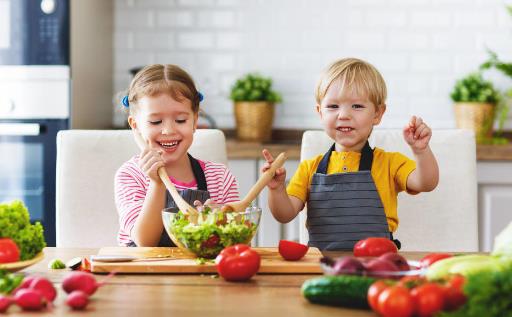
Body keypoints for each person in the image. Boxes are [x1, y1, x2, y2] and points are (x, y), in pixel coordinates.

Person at [262, 57, 439, 250]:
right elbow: (284, 214)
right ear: (320, 113)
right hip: (321, 265)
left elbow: (426, 183)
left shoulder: (390, 163)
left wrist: (421, 151)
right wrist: (276, 189)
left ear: (378, 114)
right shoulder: (309, 168)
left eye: (357, 106)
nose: (344, 115)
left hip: (377, 262)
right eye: (333, 106)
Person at [115, 64, 240, 247]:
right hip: (143, 273)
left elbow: (239, 243)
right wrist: (157, 183)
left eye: (180, 120)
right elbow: (144, 242)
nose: (168, 130)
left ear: (195, 121)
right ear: (135, 125)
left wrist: (221, 222)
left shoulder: (220, 177)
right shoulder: (130, 175)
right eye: (156, 121)